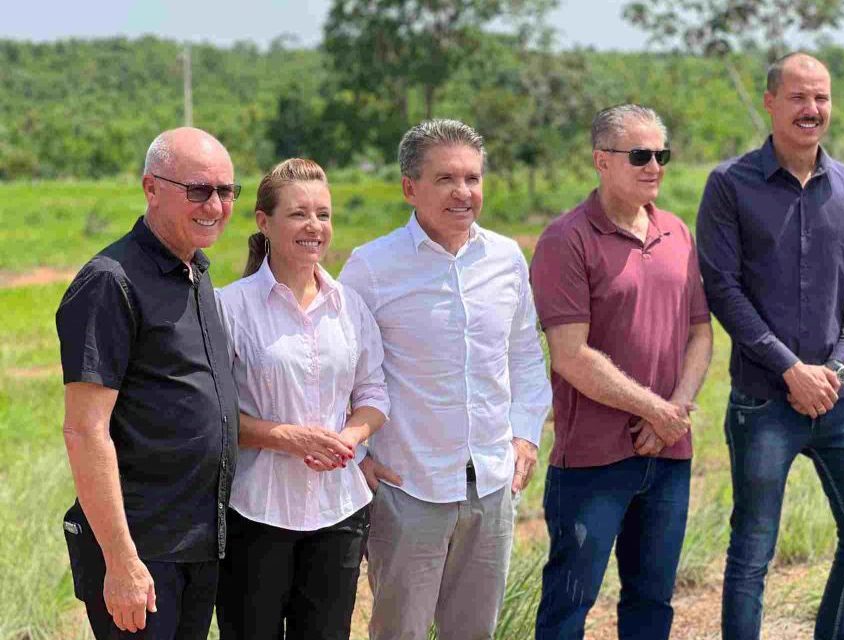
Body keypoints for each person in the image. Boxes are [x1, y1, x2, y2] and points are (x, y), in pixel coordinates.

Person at [696, 53, 844, 640]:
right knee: (753, 554)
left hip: (841, 401)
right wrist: (790, 371)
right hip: (763, 404)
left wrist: (834, 368)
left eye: (822, 98)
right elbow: (723, 291)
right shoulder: (730, 185)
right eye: (800, 97)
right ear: (771, 103)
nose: (813, 109)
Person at [338, 118, 552, 640]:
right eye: (446, 179)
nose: (464, 192)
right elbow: (337, 371)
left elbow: (526, 355)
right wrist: (359, 458)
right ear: (410, 188)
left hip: (493, 485)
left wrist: (525, 433)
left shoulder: (505, 258)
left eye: (473, 178)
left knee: (474, 632)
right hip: (409, 488)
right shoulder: (371, 268)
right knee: (400, 632)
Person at [530, 104, 714, 639]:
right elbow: (569, 354)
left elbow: (700, 332)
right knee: (570, 603)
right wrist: (655, 410)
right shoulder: (566, 240)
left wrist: (671, 415)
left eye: (662, 155)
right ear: (601, 161)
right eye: (640, 155)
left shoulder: (677, 232)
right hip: (592, 461)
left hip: (669, 456)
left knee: (652, 603)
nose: (654, 166)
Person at [56, 127, 240, 639]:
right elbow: (84, 431)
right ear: (151, 188)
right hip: (143, 553)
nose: (215, 205)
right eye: (198, 190)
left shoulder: (196, 272)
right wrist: (121, 561)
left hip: (199, 544)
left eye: (226, 191)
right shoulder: (110, 282)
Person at [213, 158, 389, 640]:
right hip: (256, 512)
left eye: (324, 214)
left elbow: (374, 393)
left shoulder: (350, 307)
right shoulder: (230, 307)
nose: (314, 226)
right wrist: (287, 438)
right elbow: (213, 414)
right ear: (264, 221)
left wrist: (348, 438)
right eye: (298, 214)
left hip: (339, 513)